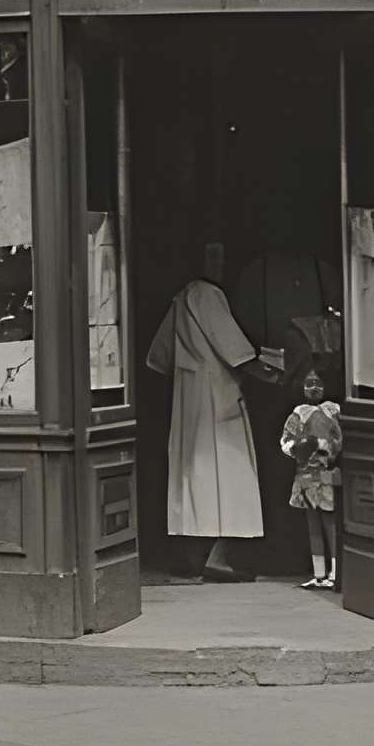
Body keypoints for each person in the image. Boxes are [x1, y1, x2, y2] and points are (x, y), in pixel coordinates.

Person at [145, 241, 269, 581]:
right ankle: (219, 554)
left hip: (189, 394)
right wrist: (273, 372)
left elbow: (159, 356)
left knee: (195, 476)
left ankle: (197, 553)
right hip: (216, 394)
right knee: (226, 473)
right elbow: (235, 351)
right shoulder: (206, 294)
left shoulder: (183, 297)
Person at [279, 364, 343, 588]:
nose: (314, 388)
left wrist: (329, 448)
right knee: (313, 524)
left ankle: (335, 573)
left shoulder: (333, 410)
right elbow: (286, 440)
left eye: (318, 383)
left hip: (326, 472)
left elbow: (340, 439)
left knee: (330, 523)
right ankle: (319, 574)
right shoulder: (299, 413)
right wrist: (297, 447)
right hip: (306, 475)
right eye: (309, 384)